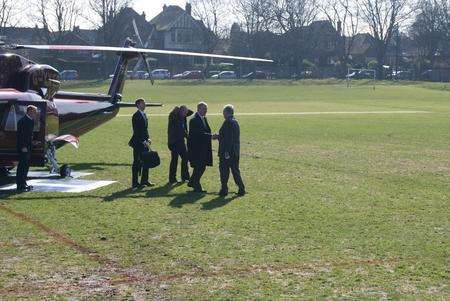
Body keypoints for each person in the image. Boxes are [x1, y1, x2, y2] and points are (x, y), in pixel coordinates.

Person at [213, 104, 246, 197]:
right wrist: (219, 136)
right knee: (235, 170)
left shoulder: (228, 122)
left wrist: (226, 152)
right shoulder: (235, 122)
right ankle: (241, 188)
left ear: (226, 112)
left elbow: (228, 139)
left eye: (224, 112)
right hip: (235, 151)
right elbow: (230, 137)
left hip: (227, 152)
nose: (223, 114)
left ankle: (224, 189)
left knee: (224, 171)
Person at [187, 102, 213, 193]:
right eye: (204, 109)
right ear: (198, 109)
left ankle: (192, 182)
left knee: (200, 167)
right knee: (200, 167)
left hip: (203, 148)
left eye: (206, 109)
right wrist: (211, 136)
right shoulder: (194, 120)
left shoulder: (203, 118)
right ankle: (196, 185)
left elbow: (205, 131)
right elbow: (198, 134)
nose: (206, 111)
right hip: (196, 149)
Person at [128, 98, 153, 189]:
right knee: (137, 163)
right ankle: (135, 183)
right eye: (143, 103)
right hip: (138, 143)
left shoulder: (144, 114)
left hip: (145, 142)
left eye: (145, 103)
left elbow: (145, 129)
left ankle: (144, 181)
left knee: (146, 161)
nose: (145, 105)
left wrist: (148, 138)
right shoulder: (136, 115)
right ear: (138, 105)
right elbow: (137, 131)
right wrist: (143, 141)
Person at [168, 105, 193, 184]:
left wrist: (188, 136)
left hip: (181, 142)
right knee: (174, 160)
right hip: (174, 142)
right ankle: (172, 179)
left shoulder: (183, 117)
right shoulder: (174, 117)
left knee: (185, 158)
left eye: (186, 112)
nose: (186, 114)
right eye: (184, 112)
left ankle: (185, 176)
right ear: (180, 111)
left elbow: (191, 113)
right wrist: (174, 111)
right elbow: (171, 115)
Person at [16, 105, 38, 192]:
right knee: (22, 166)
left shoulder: (31, 121)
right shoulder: (23, 121)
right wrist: (23, 147)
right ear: (30, 111)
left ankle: (23, 183)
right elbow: (21, 136)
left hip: (28, 147)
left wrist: (32, 142)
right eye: (35, 112)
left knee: (26, 166)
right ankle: (20, 185)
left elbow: (29, 135)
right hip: (23, 147)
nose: (36, 114)